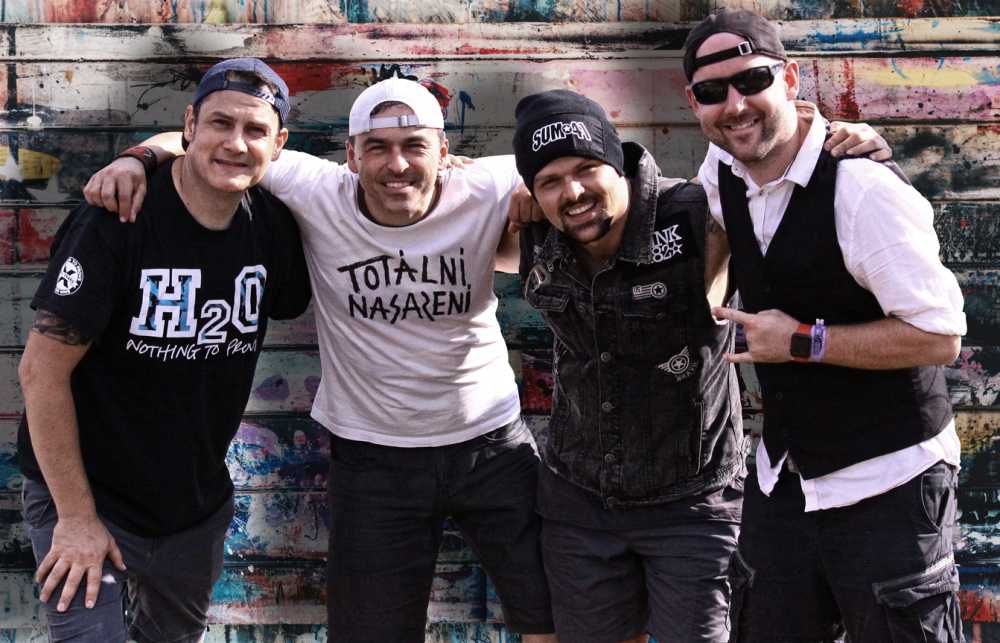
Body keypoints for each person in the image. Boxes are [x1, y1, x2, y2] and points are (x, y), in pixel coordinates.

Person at [82, 77, 557, 643]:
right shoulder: (317, 189)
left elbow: (596, 163)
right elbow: (203, 142)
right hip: (374, 459)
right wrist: (135, 160)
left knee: (554, 616)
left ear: (444, 152)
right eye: (377, 147)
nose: (397, 164)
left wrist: (540, 189)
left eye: (415, 146)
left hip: (492, 446)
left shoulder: (488, 184)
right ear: (350, 156)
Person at [684, 9, 966, 642]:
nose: (735, 105)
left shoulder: (862, 189)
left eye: (752, 80)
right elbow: (713, 232)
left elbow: (942, 335)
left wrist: (802, 341)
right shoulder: (721, 164)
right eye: (713, 91)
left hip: (889, 476)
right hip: (786, 474)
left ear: (789, 79)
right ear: (693, 102)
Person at [17, 57, 311, 642]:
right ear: (189, 125)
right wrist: (76, 519)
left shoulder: (272, 227)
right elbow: (39, 373)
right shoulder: (118, 219)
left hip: (190, 513)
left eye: (255, 130)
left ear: (278, 145)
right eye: (220, 123)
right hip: (88, 499)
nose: (236, 143)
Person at [511, 88, 744, 643]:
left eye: (586, 169)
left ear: (617, 163)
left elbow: (778, 176)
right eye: (550, 180)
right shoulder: (536, 231)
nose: (573, 192)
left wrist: (841, 138)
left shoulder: (697, 215)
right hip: (579, 501)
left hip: (693, 501)